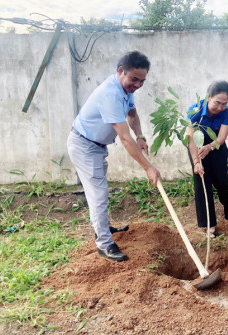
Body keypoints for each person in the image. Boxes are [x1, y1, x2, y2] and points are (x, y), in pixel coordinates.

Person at [67, 51, 161, 262]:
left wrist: (141, 136)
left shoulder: (126, 90)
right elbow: (124, 138)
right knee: (98, 194)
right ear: (121, 71)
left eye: (142, 81)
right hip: (84, 145)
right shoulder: (111, 93)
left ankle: (102, 227)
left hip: (97, 146)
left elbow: (132, 115)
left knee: (99, 192)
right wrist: (148, 167)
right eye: (134, 79)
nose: (137, 84)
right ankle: (104, 243)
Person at [187, 81, 228, 239]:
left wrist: (210, 147)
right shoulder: (194, 111)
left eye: (224, 103)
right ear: (208, 97)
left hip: (216, 145)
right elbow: (190, 139)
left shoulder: (227, 111)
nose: (220, 108)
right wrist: (196, 162)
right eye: (217, 103)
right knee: (202, 180)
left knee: (222, 181)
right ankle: (209, 223)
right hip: (196, 145)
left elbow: (222, 137)